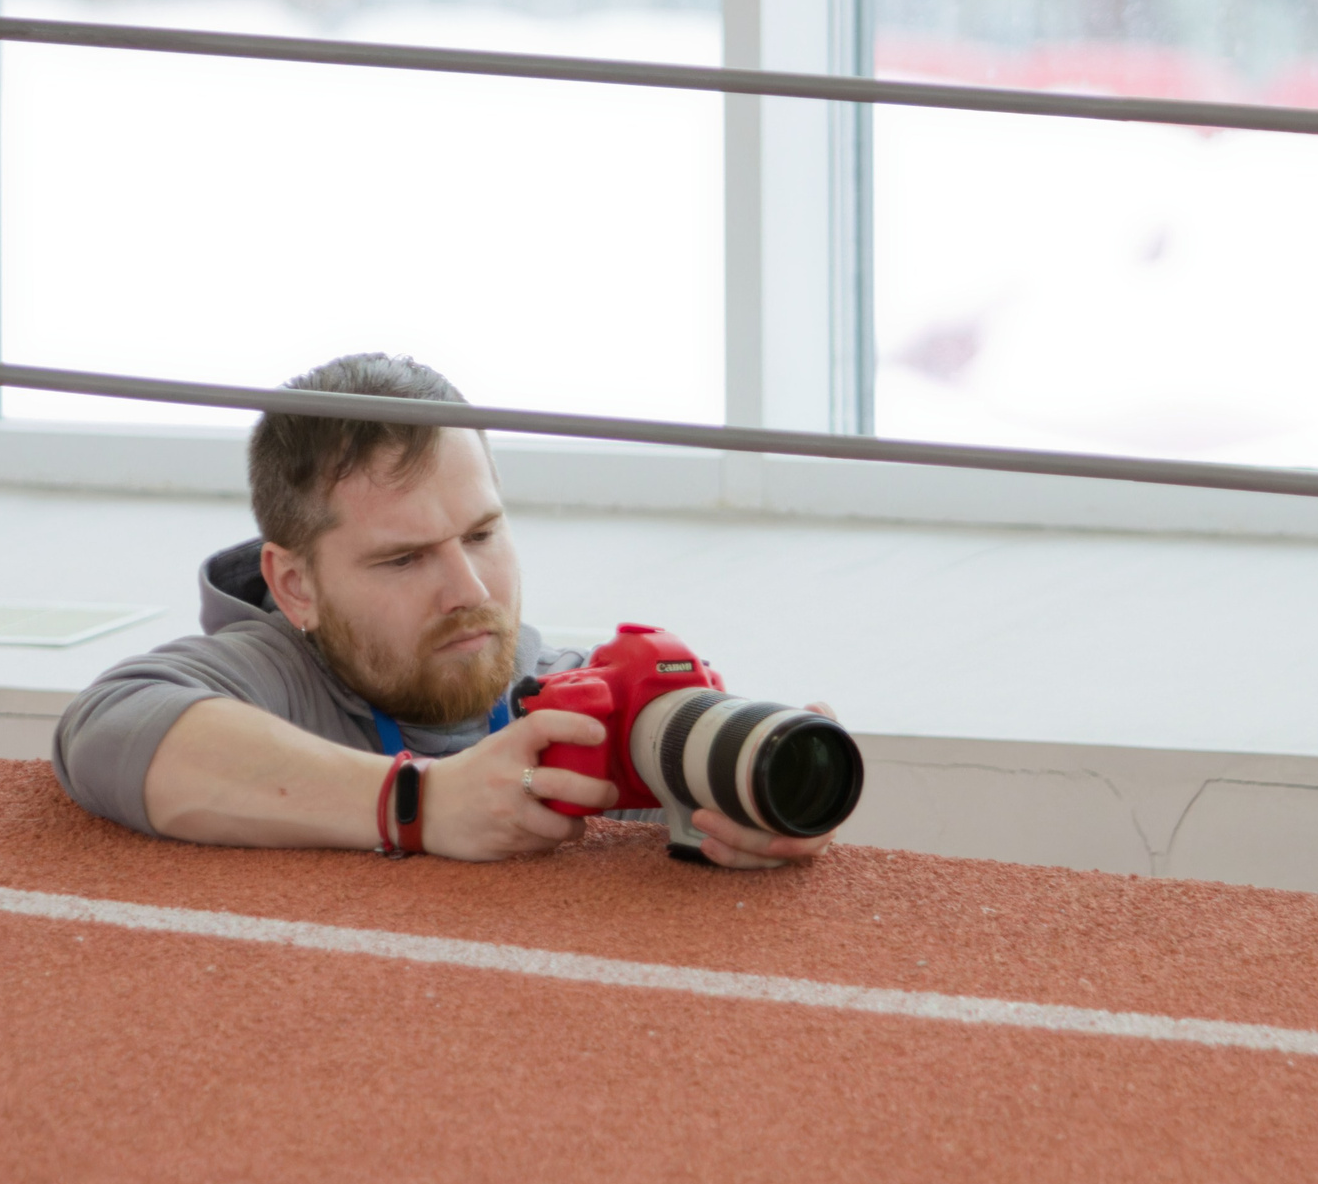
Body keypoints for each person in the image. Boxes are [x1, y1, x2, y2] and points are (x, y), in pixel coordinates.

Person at [53, 353, 840, 870]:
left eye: (483, 533)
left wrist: (748, 817)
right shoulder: (273, 672)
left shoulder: (568, 700)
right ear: (295, 586)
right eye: (404, 557)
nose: (469, 589)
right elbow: (109, 726)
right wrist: (421, 803)